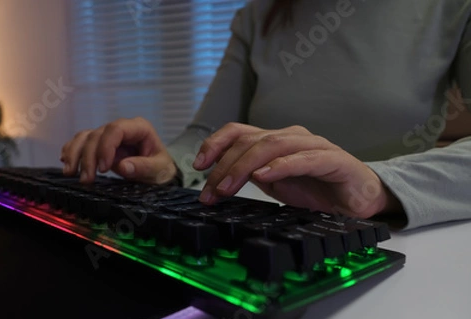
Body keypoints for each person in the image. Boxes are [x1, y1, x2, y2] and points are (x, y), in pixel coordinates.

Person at [60, 0, 471, 230]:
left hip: (391, 241)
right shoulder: (259, 15)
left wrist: (378, 186)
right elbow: (206, 132)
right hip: (262, 228)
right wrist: (166, 164)